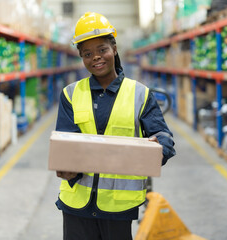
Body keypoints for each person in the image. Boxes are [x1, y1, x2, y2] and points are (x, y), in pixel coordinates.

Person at [55, 12, 176, 240]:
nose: (96, 58)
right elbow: (64, 143)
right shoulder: (70, 94)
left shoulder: (140, 94)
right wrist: (65, 165)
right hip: (76, 203)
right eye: (88, 54)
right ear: (81, 57)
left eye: (102, 50)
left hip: (118, 207)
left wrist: (157, 145)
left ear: (114, 49)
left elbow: (163, 137)